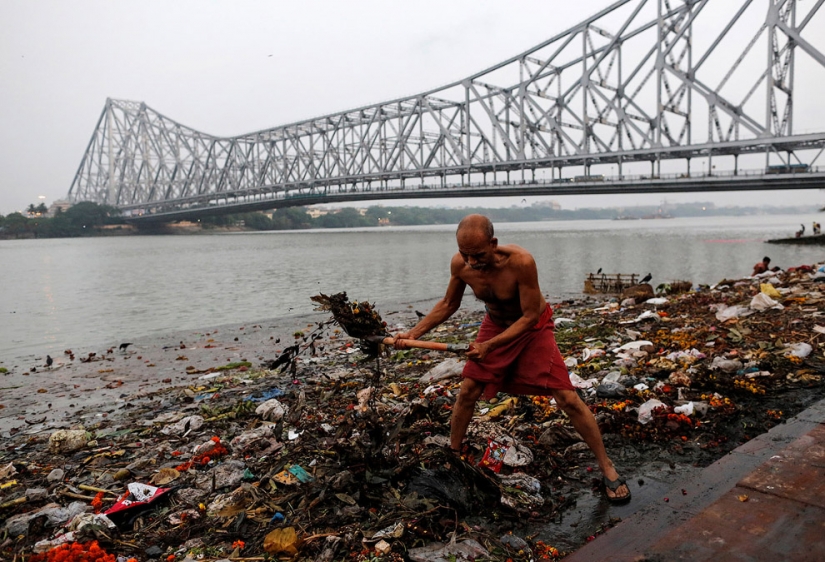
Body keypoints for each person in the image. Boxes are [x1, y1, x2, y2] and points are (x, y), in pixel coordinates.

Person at [393, 214, 631, 503]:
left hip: (532, 327)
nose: (471, 262)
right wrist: (412, 334)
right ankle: (453, 456)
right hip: (495, 323)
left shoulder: (521, 262)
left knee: (566, 397)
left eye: (478, 255)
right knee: (468, 389)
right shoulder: (461, 264)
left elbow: (531, 316)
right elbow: (448, 304)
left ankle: (607, 466)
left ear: (493, 244)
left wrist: (489, 346)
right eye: (465, 255)